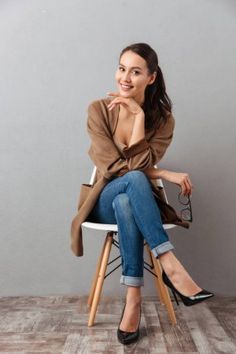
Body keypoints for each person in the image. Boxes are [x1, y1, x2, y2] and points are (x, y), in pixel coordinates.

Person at [83, 42, 214, 345]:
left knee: (128, 199)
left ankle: (134, 302)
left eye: (136, 71)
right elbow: (117, 169)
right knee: (131, 183)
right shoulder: (98, 110)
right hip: (102, 199)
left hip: (129, 199)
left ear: (151, 78)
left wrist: (139, 117)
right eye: (121, 68)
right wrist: (165, 173)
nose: (125, 78)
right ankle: (171, 265)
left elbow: (139, 167)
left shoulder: (163, 119)